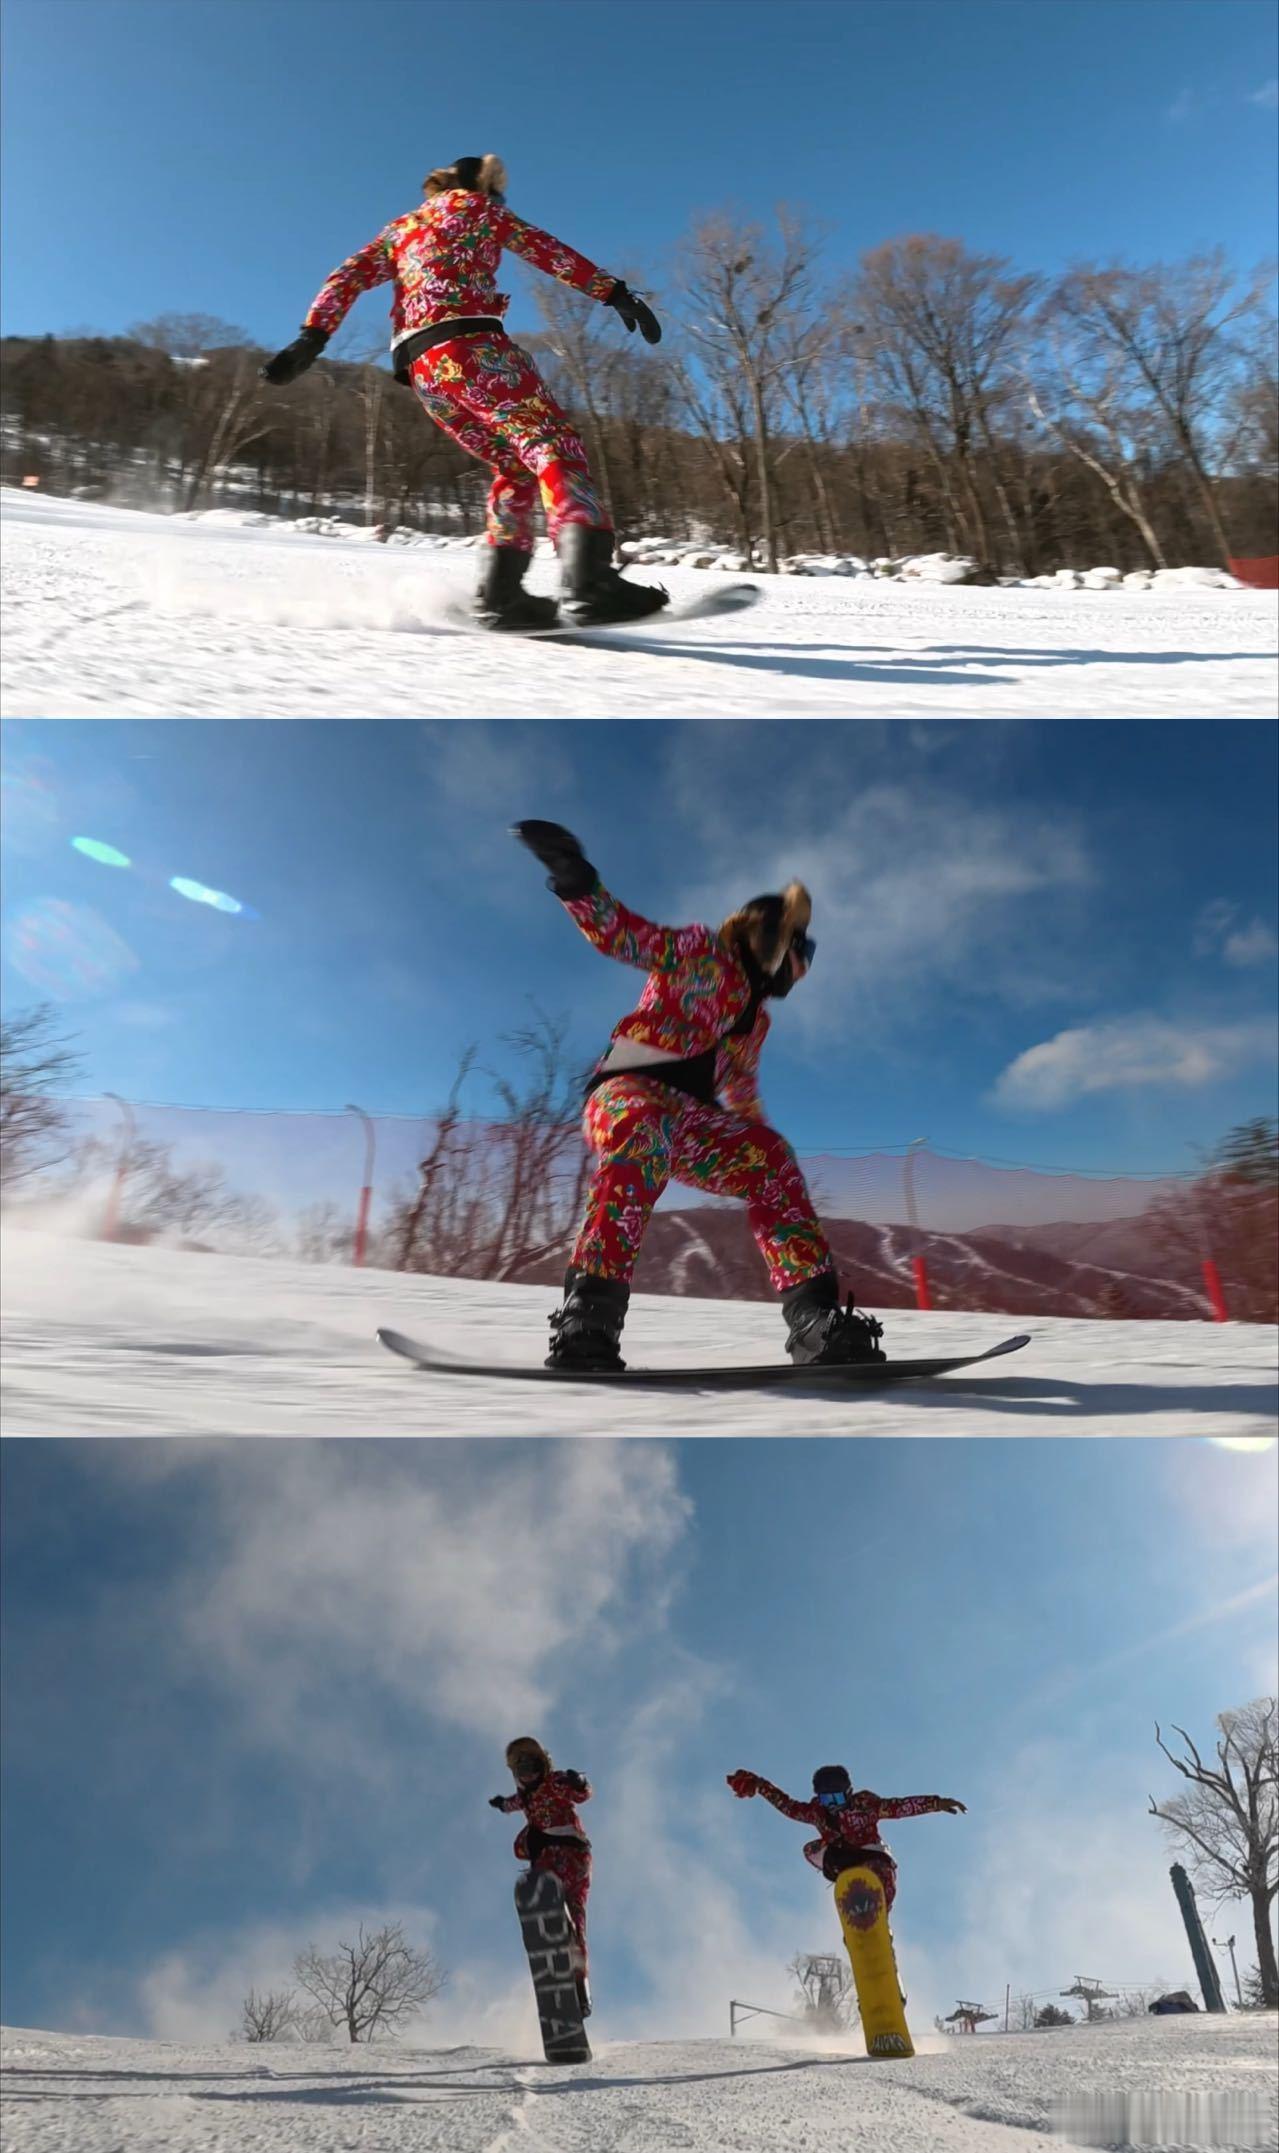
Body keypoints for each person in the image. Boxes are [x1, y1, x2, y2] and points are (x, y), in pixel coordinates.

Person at [512, 819, 889, 1372]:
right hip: (628, 1095)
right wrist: (575, 880)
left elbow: (740, 1092)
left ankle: (815, 1324)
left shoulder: (754, 1021)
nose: (803, 968)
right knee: (644, 1131)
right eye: (801, 950)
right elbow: (624, 935)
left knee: (771, 1159)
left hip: (689, 1119)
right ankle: (588, 1317)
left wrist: (761, 1146)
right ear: (771, 939)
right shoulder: (699, 950)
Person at [261, 154, 667, 631]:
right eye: (499, 190)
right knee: (552, 443)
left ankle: (501, 595)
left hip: (424, 370)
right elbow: (544, 249)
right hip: (473, 346)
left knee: (513, 467)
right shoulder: (480, 209)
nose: (501, 199)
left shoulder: (400, 229)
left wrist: (313, 336)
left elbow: (346, 276)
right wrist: (612, 291)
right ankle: (589, 579)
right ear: (484, 185)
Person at [726, 1763, 965, 1908]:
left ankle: (877, 1917)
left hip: (870, 1854)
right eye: (825, 1799)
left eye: (837, 1799)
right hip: (841, 1857)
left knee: (883, 1870)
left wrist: (936, 1803)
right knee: (811, 1849)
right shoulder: (817, 1812)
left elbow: (899, 1807)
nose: (831, 1806)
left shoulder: (864, 1805)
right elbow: (787, 1805)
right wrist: (758, 1785)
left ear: (848, 1794)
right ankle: (853, 1898)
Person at [490, 1735, 594, 2015]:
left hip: (572, 1853)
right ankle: (546, 1897)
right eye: (521, 1767)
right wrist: (501, 1804)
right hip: (548, 1854)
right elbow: (513, 1804)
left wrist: (578, 1782)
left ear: (542, 1765)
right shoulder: (524, 1797)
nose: (527, 1772)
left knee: (577, 1917)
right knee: (527, 1842)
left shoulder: (554, 1783)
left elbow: (580, 1793)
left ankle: (580, 1988)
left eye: (532, 1764)